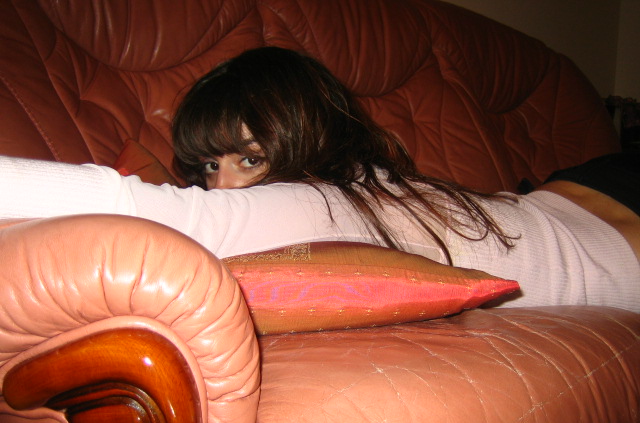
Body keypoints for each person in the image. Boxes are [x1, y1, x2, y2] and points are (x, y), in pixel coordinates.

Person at [1, 47, 638, 312]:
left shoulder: (332, 203)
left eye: (251, 159)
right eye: (209, 167)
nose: (223, 190)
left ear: (311, 140)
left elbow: (147, 210)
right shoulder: (361, 197)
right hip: (554, 194)